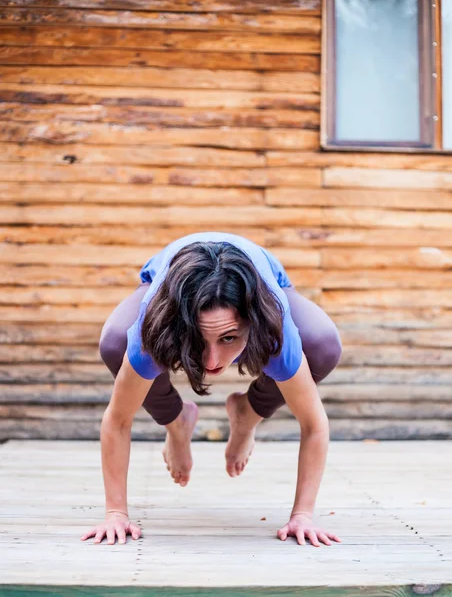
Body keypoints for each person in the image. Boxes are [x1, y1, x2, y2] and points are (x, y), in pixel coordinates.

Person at [80, 232, 343, 548]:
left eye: (229, 338)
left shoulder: (272, 328)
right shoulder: (158, 324)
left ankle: (248, 412)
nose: (212, 361)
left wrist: (303, 515)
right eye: (198, 339)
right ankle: (176, 422)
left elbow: (315, 424)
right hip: (166, 286)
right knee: (115, 344)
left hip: (267, 280)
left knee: (322, 346)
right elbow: (117, 420)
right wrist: (115, 514)